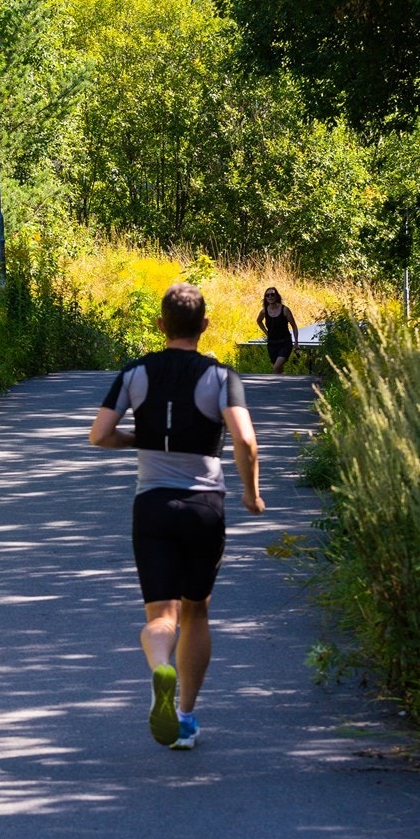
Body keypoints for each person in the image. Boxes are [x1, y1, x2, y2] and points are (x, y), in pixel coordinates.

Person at [88, 281, 265, 750]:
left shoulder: (135, 373)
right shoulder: (222, 376)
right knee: (197, 611)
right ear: (205, 326)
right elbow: (245, 441)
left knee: (161, 617)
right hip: (205, 506)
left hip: (153, 506)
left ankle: (159, 667)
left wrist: (137, 441)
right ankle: (184, 716)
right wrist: (251, 493)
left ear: (161, 325)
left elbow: (100, 435)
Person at [257, 286, 300, 374]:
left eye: (272, 294)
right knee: (279, 370)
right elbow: (259, 321)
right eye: (267, 295)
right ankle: (284, 386)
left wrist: (296, 342)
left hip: (285, 343)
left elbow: (294, 326)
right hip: (272, 343)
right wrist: (266, 333)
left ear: (277, 296)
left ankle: (273, 387)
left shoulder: (285, 310)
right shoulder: (264, 311)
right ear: (265, 298)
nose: (270, 297)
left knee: (276, 368)